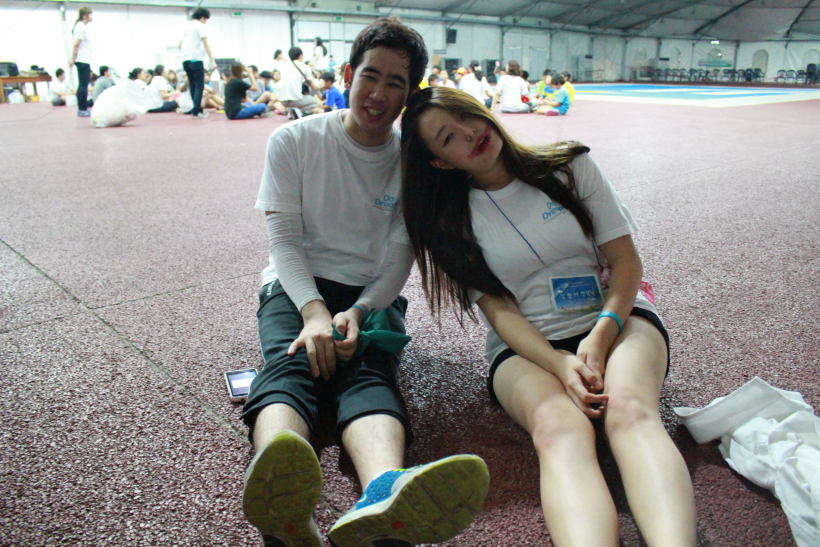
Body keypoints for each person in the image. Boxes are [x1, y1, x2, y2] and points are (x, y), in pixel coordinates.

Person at [400, 86, 698, 547]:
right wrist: (558, 362)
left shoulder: (571, 166)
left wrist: (601, 335)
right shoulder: (450, 223)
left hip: (615, 319)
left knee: (630, 412)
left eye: (465, 116)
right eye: (448, 137)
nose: (469, 132)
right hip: (526, 348)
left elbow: (625, 263)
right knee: (560, 431)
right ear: (440, 162)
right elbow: (500, 311)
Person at [242, 17, 489, 547]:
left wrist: (360, 310)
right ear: (347, 75)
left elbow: (400, 255)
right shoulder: (293, 140)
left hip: (370, 295)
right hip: (296, 286)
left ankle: (383, 495)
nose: (377, 94)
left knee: (370, 376)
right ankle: (280, 498)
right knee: (290, 364)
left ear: (409, 94)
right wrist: (313, 312)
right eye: (369, 76)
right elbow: (284, 242)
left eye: (395, 83)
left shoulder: (411, 163)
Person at [180, 7, 217, 119]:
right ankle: (196, 111)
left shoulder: (185, 26)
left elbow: (179, 44)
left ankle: (197, 110)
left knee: (192, 85)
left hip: (185, 60)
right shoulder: (200, 26)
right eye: (206, 19)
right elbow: (206, 45)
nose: (205, 22)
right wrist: (212, 60)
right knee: (199, 86)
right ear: (202, 17)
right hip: (196, 59)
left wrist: (185, 54)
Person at [276, 46, 319, 119]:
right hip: (295, 100)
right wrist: (320, 87)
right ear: (300, 55)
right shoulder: (305, 67)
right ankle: (299, 111)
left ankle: (291, 111)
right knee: (315, 102)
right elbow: (314, 87)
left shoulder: (283, 66)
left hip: (282, 100)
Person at [69, 6, 93, 117]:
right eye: (90, 14)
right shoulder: (80, 27)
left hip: (84, 59)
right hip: (82, 60)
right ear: (85, 15)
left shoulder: (81, 27)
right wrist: (72, 59)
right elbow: (76, 45)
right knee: (83, 85)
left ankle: (82, 108)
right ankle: (82, 108)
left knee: (83, 85)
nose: (92, 16)